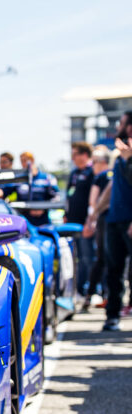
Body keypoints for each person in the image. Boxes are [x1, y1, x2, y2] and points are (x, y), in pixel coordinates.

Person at [85, 111, 132, 330]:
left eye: (122, 123)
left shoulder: (127, 156)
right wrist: (94, 214)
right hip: (114, 221)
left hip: (130, 222)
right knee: (113, 269)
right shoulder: (121, 155)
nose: (119, 127)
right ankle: (112, 316)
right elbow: (113, 188)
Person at [83, 145, 114, 309]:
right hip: (119, 220)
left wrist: (90, 220)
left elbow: (92, 201)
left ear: (102, 162)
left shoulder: (101, 177)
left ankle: (89, 296)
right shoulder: (117, 174)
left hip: (104, 219)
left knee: (101, 258)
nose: (92, 165)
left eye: (94, 162)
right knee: (116, 260)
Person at [66, 142, 96, 298]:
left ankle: (89, 291)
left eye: (75, 154)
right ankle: (77, 290)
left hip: (86, 224)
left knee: (87, 258)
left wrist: (89, 222)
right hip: (72, 223)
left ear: (84, 155)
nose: (73, 158)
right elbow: (69, 196)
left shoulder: (92, 172)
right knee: (74, 259)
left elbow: (94, 200)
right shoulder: (74, 173)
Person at [12, 151, 60, 226]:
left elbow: (56, 197)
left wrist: (42, 209)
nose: (23, 164)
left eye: (25, 160)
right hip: (24, 221)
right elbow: (6, 190)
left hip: (43, 221)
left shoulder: (47, 178)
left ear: (32, 160)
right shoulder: (18, 180)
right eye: (22, 161)